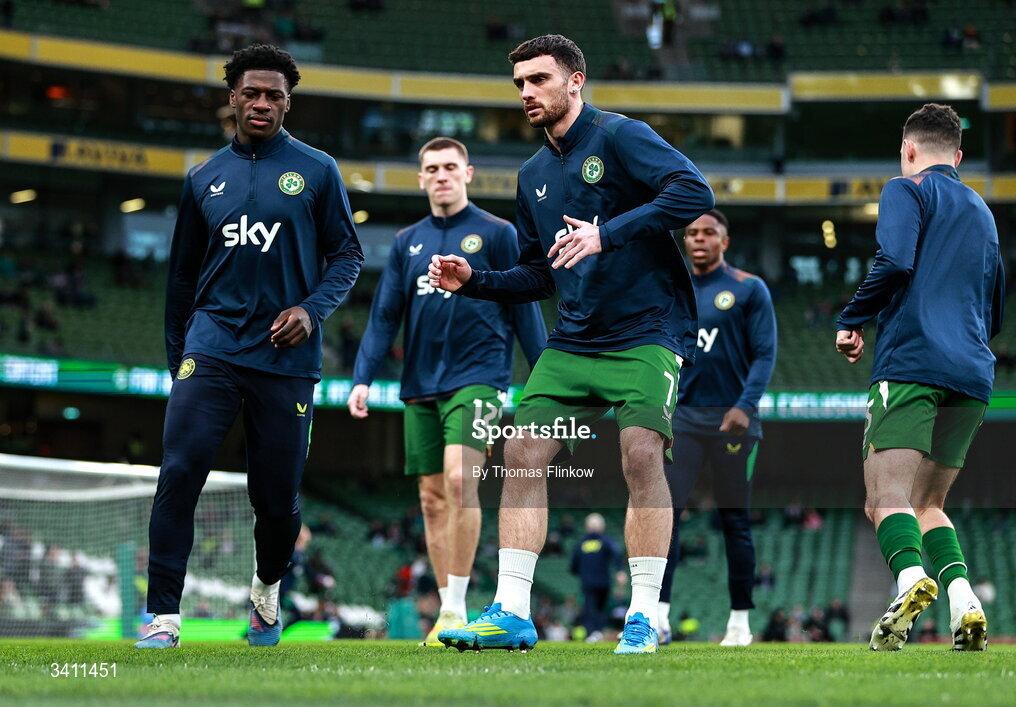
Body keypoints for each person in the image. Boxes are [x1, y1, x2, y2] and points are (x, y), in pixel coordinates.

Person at [430, 34, 714, 654]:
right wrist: (475, 281)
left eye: (539, 80)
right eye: (520, 84)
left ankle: (643, 616)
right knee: (522, 452)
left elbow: (695, 194)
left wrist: (607, 234)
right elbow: (539, 272)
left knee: (640, 456)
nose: (528, 93)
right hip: (575, 337)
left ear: (575, 80)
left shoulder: (619, 136)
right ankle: (510, 611)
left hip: (648, 331)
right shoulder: (532, 174)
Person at [135, 43, 363, 649]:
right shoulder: (203, 177)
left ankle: (266, 591)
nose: (262, 103)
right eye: (252, 93)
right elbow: (182, 278)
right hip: (210, 348)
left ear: (289, 102)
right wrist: (177, 362)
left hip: (285, 357)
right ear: (233, 96)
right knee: (179, 472)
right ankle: (163, 618)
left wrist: (311, 313)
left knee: (277, 499)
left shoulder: (317, 170)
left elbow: (348, 255)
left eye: (275, 96)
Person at [348, 137, 546, 646]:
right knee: (433, 499)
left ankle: (457, 606)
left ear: (468, 173)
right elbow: (385, 316)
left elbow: (524, 307)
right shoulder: (405, 242)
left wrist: (545, 381)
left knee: (461, 480)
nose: (441, 175)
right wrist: (363, 378)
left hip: (480, 377)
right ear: (420, 178)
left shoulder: (498, 234)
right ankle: (448, 610)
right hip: (419, 385)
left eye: (450, 167)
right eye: (431, 168)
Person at [835, 103, 1003, 652]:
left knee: (884, 497)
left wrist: (852, 318)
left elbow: (896, 261)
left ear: (909, 150)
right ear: (958, 156)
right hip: (973, 373)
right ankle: (965, 601)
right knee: (930, 502)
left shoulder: (904, 190)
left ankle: (910, 580)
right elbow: (996, 309)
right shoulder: (982, 210)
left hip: (912, 364)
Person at [657, 209, 776, 647]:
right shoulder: (671, 290)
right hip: (683, 420)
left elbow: (764, 354)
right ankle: (658, 616)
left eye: (709, 232)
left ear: (724, 242)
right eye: (692, 233)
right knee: (664, 516)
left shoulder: (748, 289)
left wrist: (745, 406)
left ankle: (740, 623)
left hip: (733, 423)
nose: (699, 239)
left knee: (734, 522)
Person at [570, 513, 622, 641]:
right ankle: (599, 631)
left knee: (588, 607)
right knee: (601, 608)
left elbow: (573, 566)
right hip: (603, 581)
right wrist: (619, 570)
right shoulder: (606, 541)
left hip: (587, 582)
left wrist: (582, 572)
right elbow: (616, 553)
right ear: (602, 527)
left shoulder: (580, 543)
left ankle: (591, 633)